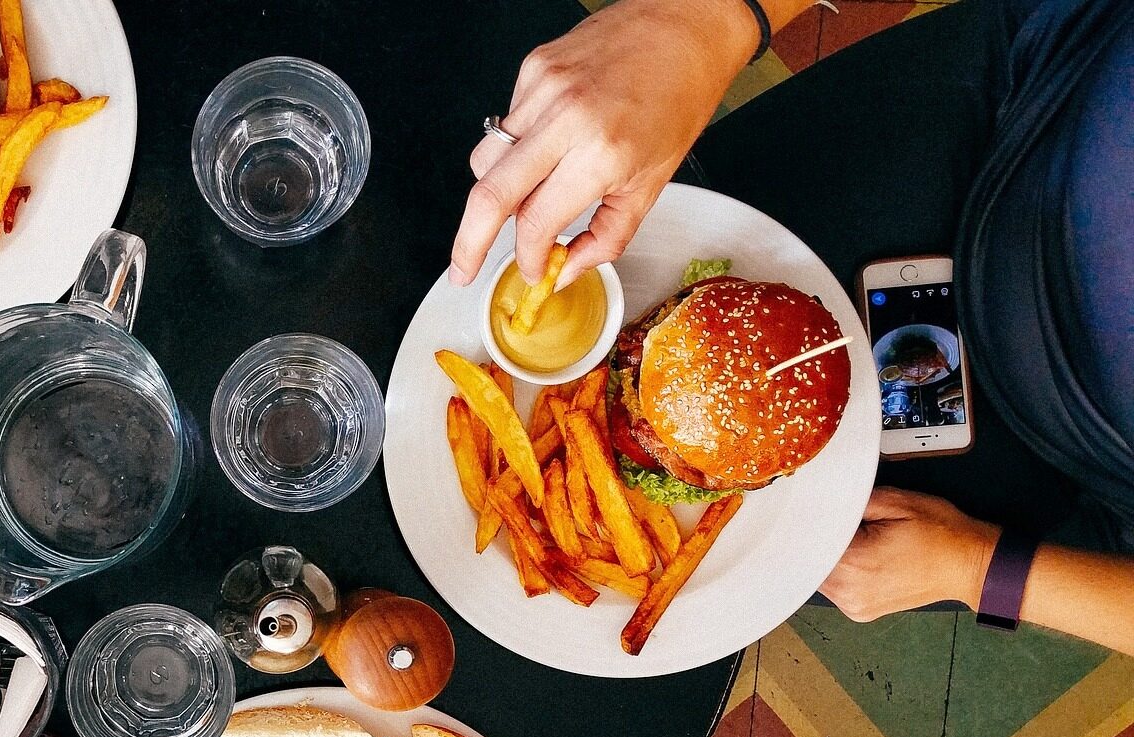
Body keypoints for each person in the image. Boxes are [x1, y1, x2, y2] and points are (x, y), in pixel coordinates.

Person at [446, 0, 1134, 657]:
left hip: (1057, 459)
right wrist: (703, 24)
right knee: (696, 176)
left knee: (805, 554)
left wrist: (982, 570)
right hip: (1027, 79)